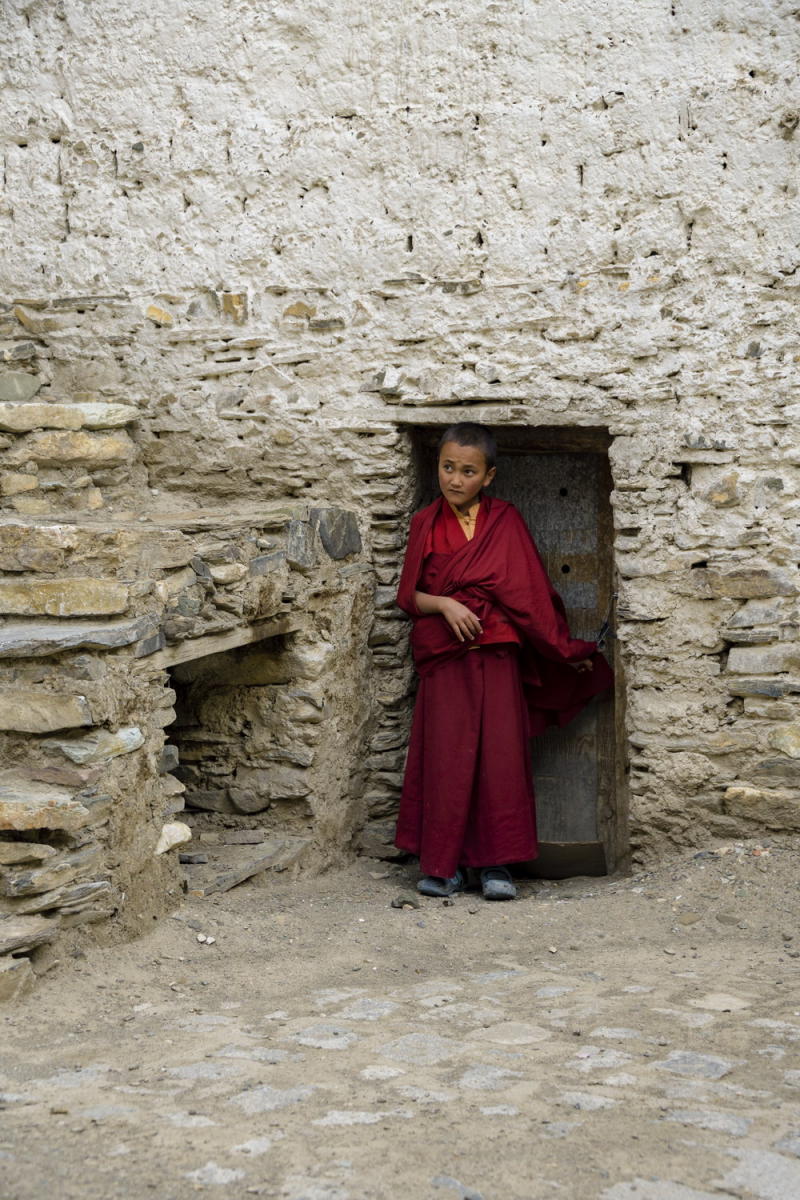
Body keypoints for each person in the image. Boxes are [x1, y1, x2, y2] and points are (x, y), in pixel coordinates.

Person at [394, 422, 613, 901]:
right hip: (446, 661)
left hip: (496, 656)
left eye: (467, 471)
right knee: (447, 760)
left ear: (488, 476)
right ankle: (444, 865)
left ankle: (496, 866)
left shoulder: (505, 521)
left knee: (499, 758)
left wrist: (565, 650)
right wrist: (446, 604)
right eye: (447, 467)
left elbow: (530, 596)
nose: (454, 479)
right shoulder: (425, 522)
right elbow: (408, 596)